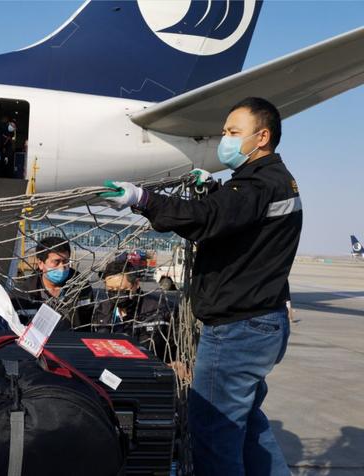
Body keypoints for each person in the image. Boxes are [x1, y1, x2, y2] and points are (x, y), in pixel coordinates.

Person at [102, 97, 301, 475]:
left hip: (238, 330)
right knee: (249, 426)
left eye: (233, 132)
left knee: (214, 432)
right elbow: (239, 224)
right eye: (224, 131)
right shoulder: (276, 182)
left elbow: (209, 219)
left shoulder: (258, 186)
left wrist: (143, 199)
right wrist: (212, 190)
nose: (225, 139)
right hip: (263, 324)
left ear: (262, 137)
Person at [92, 259, 176, 363]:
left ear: (136, 284)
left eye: (122, 290)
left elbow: (177, 348)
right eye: (111, 290)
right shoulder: (102, 310)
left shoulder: (162, 309)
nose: (116, 295)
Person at [12, 236, 93, 330]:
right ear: (41, 264)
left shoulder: (82, 288)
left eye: (65, 261)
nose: (62, 267)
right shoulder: (22, 293)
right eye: (56, 262)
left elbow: (88, 323)